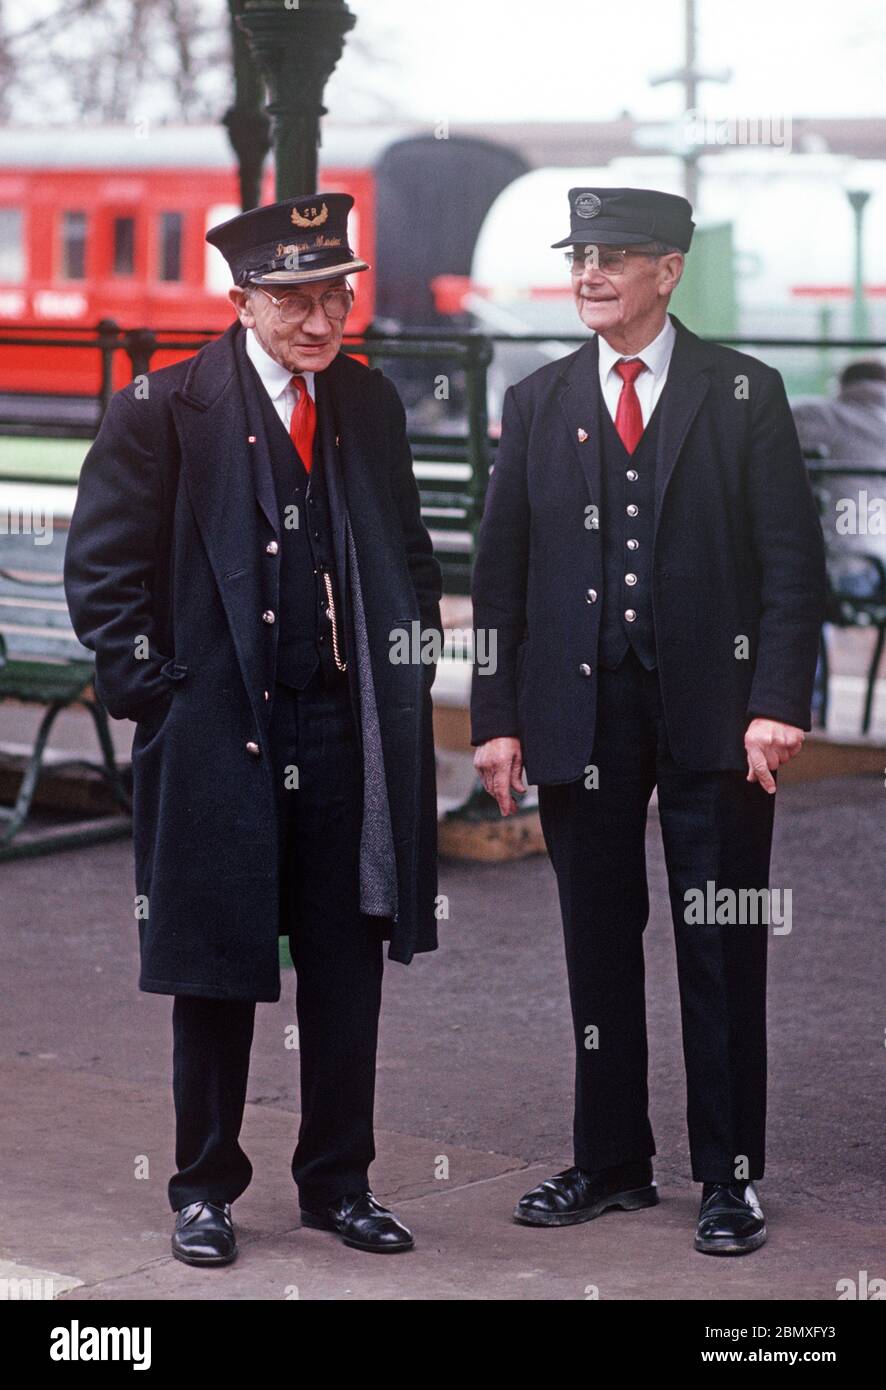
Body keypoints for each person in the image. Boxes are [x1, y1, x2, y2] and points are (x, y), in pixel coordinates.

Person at [64, 193, 443, 1263]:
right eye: (295, 300)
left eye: (336, 297)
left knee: (345, 958)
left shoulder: (366, 406)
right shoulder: (163, 405)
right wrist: (158, 692)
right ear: (239, 300)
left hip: (339, 731)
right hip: (218, 728)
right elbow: (101, 570)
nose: (321, 322)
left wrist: (400, 676)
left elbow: (408, 555)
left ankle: (338, 1182)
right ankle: (203, 1189)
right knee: (215, 963)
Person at [470, 187, 826, 1255]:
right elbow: (499, 583)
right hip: (580, 713)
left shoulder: (743, 394)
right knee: (596, 941)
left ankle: (728, 1178)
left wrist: (774, 701)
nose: (589, 273)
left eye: (614, 257)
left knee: (718, 942)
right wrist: (497, 719)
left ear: (667, 271)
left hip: (718, 716)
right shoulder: (535, 402)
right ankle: (610, 1160)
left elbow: (789, 566)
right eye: (581, 254)